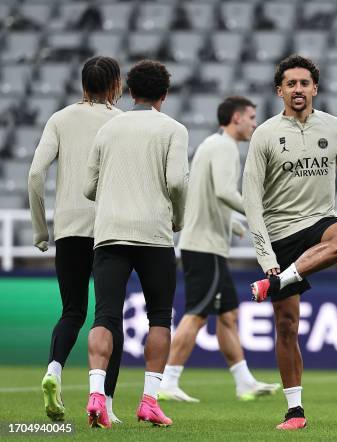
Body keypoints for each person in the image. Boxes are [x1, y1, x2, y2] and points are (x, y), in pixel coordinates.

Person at [243, 54, 337, 430]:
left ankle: (280, 280)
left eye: (304, 83)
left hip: (318, 223)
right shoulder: (265, 133)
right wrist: (264, 252)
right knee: (286, 324)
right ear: (279, 90)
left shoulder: (335, 128)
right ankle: (295, 411)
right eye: (291, 84)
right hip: (279, 233)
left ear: (315, 88)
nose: (298, 90)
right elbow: (250, 198)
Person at [84, 60, 188, 428]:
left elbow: (88, 186)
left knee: (105, 315)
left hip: (110, 232)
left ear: (129, 90)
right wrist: (178, 215)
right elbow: (176, 181)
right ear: (164, 94)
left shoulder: (109, 129)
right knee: (159, 316)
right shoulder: (173, 129)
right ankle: (149, 401)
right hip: (154, 234)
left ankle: (96, 393)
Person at [159, 96, 279, 402]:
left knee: (228, 314)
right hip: (205, 247)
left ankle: (244, 382)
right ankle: (167, 381)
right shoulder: (225, 147)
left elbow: (205, 195)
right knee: (197, 314)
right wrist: (256, 214)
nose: (255, 123)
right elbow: (224, 192)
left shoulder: (212, 145)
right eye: (252, 117)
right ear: (236, 118)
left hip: (206, 243)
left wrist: (234, 225)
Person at [28, 56, 124, 424]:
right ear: (116, 85)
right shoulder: (120, 123)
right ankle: (107, 406)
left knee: (72, 311)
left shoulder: (60, 118)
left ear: (83, 84)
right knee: (108, 317)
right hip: (109, 232)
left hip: (68, 230)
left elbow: (36, 174)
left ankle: (53, 370)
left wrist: (41, 231)